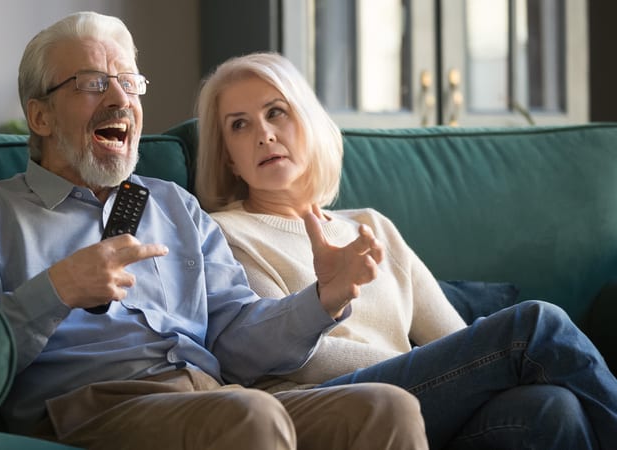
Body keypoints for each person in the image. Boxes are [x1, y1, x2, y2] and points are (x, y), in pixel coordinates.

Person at [0, 11, 429, 450]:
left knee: (388, 408)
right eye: (92, 83)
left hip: (213, 397)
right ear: (39, 115)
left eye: (129, 81)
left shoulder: (174, 204)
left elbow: (235, 336)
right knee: (250, 416)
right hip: (89, 411)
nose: (120, 98)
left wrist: (322, 297)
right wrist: (57, 290)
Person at [195, 50, 617, 450]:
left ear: (307, 122)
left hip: (421, 397)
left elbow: (454, 339)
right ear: (230, 159)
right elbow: (284, 359)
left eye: (275, 113)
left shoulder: (370, 226)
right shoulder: (228, 233)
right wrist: (423, 364)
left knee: (552, 408)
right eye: (240, 125)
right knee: (535, 323)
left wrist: (444, 369)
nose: (264, 134)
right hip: (324, 403)